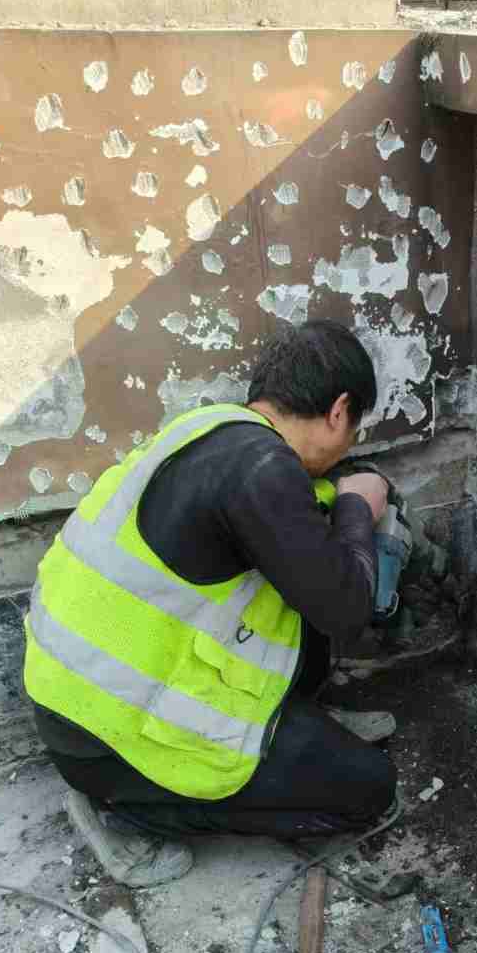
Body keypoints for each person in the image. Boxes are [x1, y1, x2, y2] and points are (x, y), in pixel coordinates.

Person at [24, 319, 398, 887]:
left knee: (303, 590)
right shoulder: (262, 470)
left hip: (81, 703)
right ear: (339, 410)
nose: (350, 444)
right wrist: (356, 509)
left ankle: (282, 727)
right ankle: (125, 814)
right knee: (369, 790)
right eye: (354, 429)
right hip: (110, 740)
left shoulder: (207, 430)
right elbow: (346, 610)